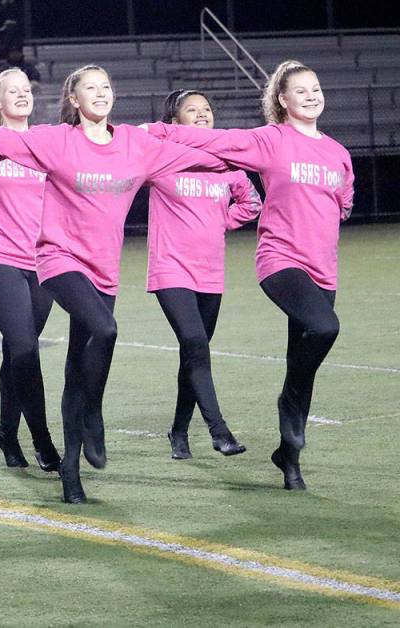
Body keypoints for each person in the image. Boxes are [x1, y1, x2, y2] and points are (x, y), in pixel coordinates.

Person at [0, 65, 231, 504]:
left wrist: (256, 156)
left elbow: (200, 154)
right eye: (90, 88)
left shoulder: (134, 145)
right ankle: (63, 428)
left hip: (100, 268)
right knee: (81, 334)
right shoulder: (53, 141)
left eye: (106, 86)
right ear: (73, 99)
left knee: (75, 367)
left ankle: (68, 468)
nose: (101, 93)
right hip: (48, 259)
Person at [144, 61, 353, 490]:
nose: (311, 95)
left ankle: (289, 457)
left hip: (324, 269)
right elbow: (218, 141)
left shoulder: (338, 153)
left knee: (302, 365)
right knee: (325, 326)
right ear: (283, 99)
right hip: (281, 260)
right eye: (301, 90)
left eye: (315, 88)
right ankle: (271, 411)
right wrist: (155, 131)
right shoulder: (271, 140)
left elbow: (344, 202)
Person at [147, 89, 261, 460]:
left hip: (210, 273)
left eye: (207, 109)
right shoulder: (160, 157)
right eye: (191, 110)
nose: (202, 114)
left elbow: (252, 203)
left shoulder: (226, 162)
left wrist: (220, 221)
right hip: (170, 269)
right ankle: (219, 430)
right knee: (195, 342)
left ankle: (179, 431)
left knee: (193, 352)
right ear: (174, 121)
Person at [0, 68, 59, 471]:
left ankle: (7, 432)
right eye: (13, 91)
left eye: (27, 90)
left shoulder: (46, 144)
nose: (23, 95)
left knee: (15, 352)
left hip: (42, 262)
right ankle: (42, 439)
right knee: (25, 347)